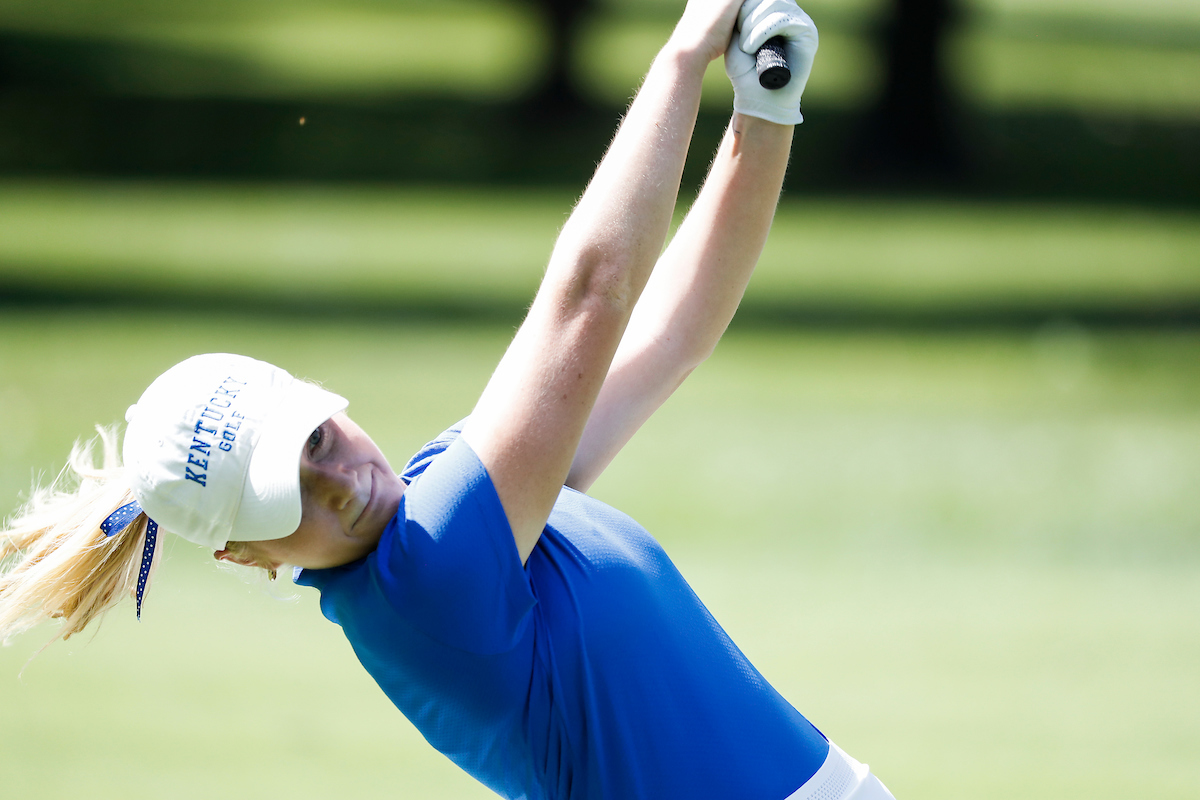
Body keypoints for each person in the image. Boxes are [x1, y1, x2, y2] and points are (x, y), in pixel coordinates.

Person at [0, 1, 895, 798]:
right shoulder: (430, 573)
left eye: (314, 445)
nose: (340, 485)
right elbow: (591, 297)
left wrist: (764, 114)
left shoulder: (445, 508)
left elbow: (667, 339)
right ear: (247, 555)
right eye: (289, 499)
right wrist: (680, 55)